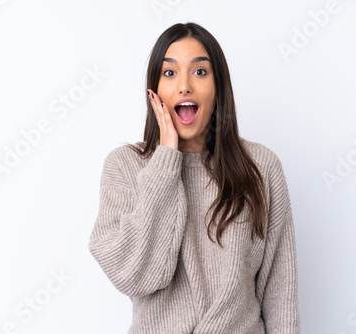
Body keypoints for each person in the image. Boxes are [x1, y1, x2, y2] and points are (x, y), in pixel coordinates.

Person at [88, 22, 301, 333]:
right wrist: (166, 158)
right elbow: (136, 275)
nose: (184, 86)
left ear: (218, 87)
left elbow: (280, 292)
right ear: (154, 90)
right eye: (170, 73)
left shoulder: (260, 166)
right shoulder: (126, 166)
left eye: (200, 72)